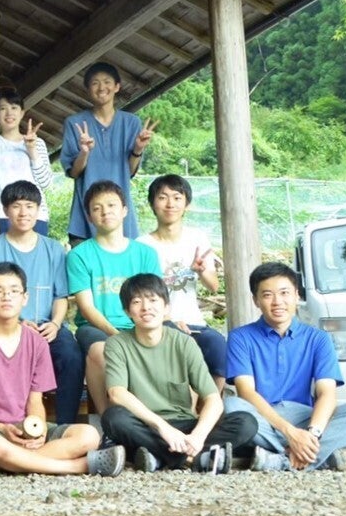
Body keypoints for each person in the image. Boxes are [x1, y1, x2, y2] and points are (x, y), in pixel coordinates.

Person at [0, 263, 125, 478]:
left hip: (24, 427)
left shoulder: (37, 343)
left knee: (88, 435)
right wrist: (2, 428)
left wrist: (39, 427)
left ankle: (0, 463)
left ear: (25, 298)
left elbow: (35, 400)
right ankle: (78, 466)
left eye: (14, 291)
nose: (7, 297)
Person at [103, 274, 258, 473]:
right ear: (127, 311)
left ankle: (161, 457)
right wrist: (163, 428)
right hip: (146, 426)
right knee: (114, 418)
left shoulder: (184, 343)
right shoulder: (117, 344)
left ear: (166, 307)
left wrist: (198, 436)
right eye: (136, 302)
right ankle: (195, 459)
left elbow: (213, 399)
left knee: (246, 422)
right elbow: (116, 393)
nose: (146, 307)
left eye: (153, 300)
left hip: (185, 425)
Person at [225, 262, 346, 471]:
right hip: (262, 417)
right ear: (256, 300)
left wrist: (312, 433)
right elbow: (246, 392)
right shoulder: (240, 337)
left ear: (297, 296)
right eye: (267, 295)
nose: (277, 302)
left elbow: (327, 393)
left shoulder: (318, 338)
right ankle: (314, 456)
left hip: (304, 417)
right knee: (232, 406)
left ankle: (283, 460)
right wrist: (290, 433)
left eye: (284, 293)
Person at [0, 181, 82, 424]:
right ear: (5, 210)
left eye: (30, 206)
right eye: (16, 206)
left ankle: (64, 425)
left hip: (47, 327)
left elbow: (60, 296)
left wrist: (55, 324)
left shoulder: (54, 249)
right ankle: (2, 424)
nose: (23, 212)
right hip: (6, 327)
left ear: (38, 210)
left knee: (71, 356)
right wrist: (17, 324)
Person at [67, 180, 160, 413]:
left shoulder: (145, 253)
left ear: (124, 210)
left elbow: (155, 298)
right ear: (89, 217)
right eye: (97, 208)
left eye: (111, 205)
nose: (105, 212)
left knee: (182, 345)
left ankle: (178, 417)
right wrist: (118, 335)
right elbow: (87, 308)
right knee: (100, 351)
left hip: (141, 323)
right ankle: (106, 419)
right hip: (96, 327)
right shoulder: (79, 255)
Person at [138, 174, 227, 391]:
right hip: (159, 323)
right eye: (163, 197)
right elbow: (139, 293)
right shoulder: (142, 245)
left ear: (187, 204)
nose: (170, 204)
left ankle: (213, 403)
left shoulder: (197, 238)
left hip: (195, 321)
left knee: (218, 347)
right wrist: (167, 319)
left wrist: (201, 271)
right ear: (152, 204)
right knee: (184, 355)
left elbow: (213, 285)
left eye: (177, 198)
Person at [60, 62, 157, 243]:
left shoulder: (131, 123)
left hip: (120, 215)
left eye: (107, 82)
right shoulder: (75, 123)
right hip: (84, 214)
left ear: (117, 86)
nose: (101, 87)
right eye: (95, 83)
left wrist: (138, 149)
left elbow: (129, 172)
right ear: (88, 89)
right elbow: (74, 172)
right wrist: (84, 152)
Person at [0, 92, 55, 234]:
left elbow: (46, 183)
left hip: (35, 216)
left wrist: (32, 149)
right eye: (3, 108)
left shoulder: (37, 143)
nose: (9, 113)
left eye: (14, 107)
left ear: (22, 112)